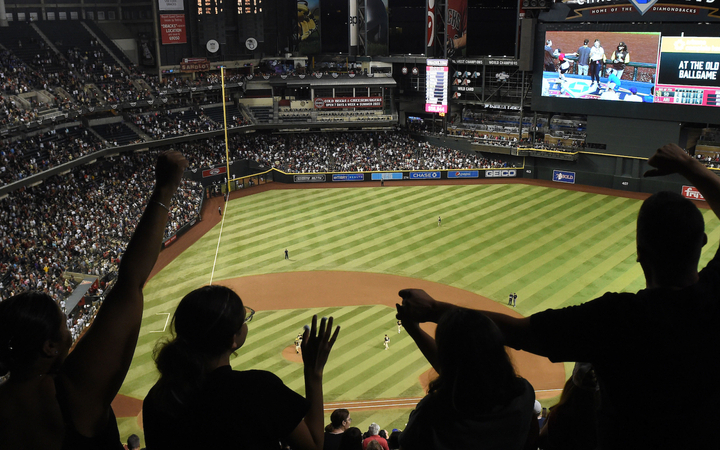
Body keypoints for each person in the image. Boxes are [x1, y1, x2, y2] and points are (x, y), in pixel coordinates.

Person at [396, 143, 720, 449]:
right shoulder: (714, 297)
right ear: (703, 241)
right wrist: (691, 165)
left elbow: (521, 332)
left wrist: (435, 309)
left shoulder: (617, 317)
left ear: (639, 253)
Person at [0, 151, 188, 450]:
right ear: (48, 346)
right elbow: (130, 282)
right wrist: (164, 189)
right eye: (63, 326)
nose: (69, 333)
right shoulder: (72, 393)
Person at [143, 288, 340, 450]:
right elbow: (314, 446)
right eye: (244, 321)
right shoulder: (259, 389)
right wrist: (313, 372)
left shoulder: (157, 399)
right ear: (232, 340)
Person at [395, 307, 536, 449]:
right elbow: (469, 367)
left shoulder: (432, 412)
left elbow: (458, 368)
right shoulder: (524, 394)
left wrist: (414, 329)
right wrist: (415, 331)